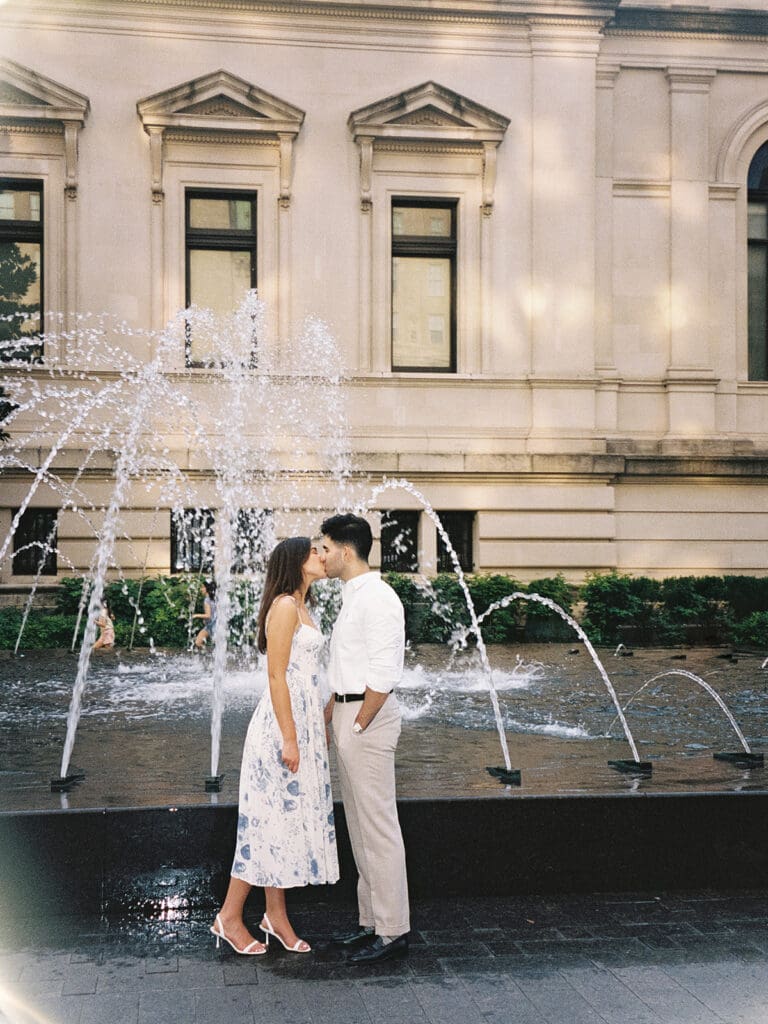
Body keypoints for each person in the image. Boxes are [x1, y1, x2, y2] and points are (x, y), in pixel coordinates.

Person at [211, 538, 338, 956]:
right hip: (278, 731)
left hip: (300, 724)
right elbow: (276, 677)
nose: (323, 555)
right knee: (264, 824)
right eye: (315, 551)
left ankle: (275, 917)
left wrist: (318, 720)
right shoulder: (284, 606)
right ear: (297, 562)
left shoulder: (303, 607)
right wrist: (289, 736)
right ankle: (229, 917)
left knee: (281, 823)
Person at [319, 513, 410, 964]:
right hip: (350, 713)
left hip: (367, 719)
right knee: (360, 828)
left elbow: (384, 672)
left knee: (378, 829)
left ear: (346, 551)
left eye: (325, 548)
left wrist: (357, 725)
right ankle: (371, 922)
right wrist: (333, 713)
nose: (320, 555)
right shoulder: (353, 596)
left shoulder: (378, 597)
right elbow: (348, 668)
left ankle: (393, 932)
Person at [193, 580, 216, 649]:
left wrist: (196, 615)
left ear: (207, 588)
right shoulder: (213, 599)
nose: (201, 589)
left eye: (202, 587)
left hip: (211, 626)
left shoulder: (207, 600)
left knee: (198, 643)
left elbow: (208, 615)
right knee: (199, 642)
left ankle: (210, 653)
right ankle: (213, 654)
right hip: (214, 624)